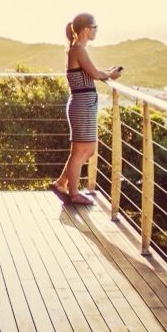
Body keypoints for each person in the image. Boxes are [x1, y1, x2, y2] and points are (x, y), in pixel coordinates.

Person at [51, 13, 121, 206]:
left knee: (86, 150)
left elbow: (91, 71)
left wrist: (107, 72)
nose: (96, 30)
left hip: (83, 104)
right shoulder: (78, 49)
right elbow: (95, 74)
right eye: (95, 27)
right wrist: (111, 75)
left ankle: (61, 183)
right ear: (85, 30)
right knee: (80, 151)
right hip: (82, 104)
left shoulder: (76, 49)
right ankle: (72, 193)